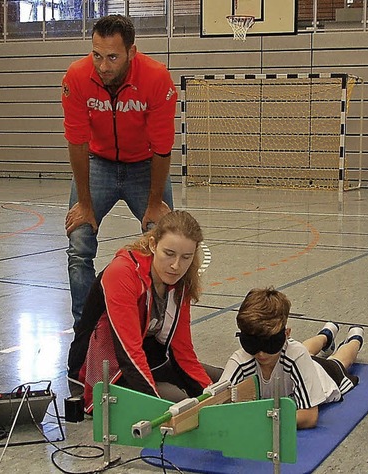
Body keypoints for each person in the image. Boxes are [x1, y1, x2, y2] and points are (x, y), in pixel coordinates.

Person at [61, 14, 178, 337]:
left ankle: (159, 329)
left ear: (132, 52)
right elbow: (77, 141)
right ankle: (86, 331)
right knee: (79, 243)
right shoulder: (77, 77)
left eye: (112, 57)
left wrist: (155, 202)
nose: (103, 65)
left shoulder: (156, 78)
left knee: (165, 241)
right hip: (98, 163)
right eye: (97, 55)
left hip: (145, 166)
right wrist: (85, 203)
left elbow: (162, 146)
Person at [67, 211, 221, 411]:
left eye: (186, 257)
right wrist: (155, 403)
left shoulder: (180, 282)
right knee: (179, 401)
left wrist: (210, 394)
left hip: (149, 361)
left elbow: (182, 351)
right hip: (106, 372)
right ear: (153, 245)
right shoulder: (122, 273)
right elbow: (128, 354)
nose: (176, 265)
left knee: (222, 380)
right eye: (169, 254)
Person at [220, 287, 364, 429]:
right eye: (252, 343)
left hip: (322, 373)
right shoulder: (242, 360)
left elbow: (309, 417)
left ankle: (355, 338)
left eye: (271, 344)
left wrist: (261, 421)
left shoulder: (296, 355)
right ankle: (326, 335)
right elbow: (217, 401)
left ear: (286, 334)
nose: (261, 354)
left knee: (338, 361)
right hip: (293, 359)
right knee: (300, 351)